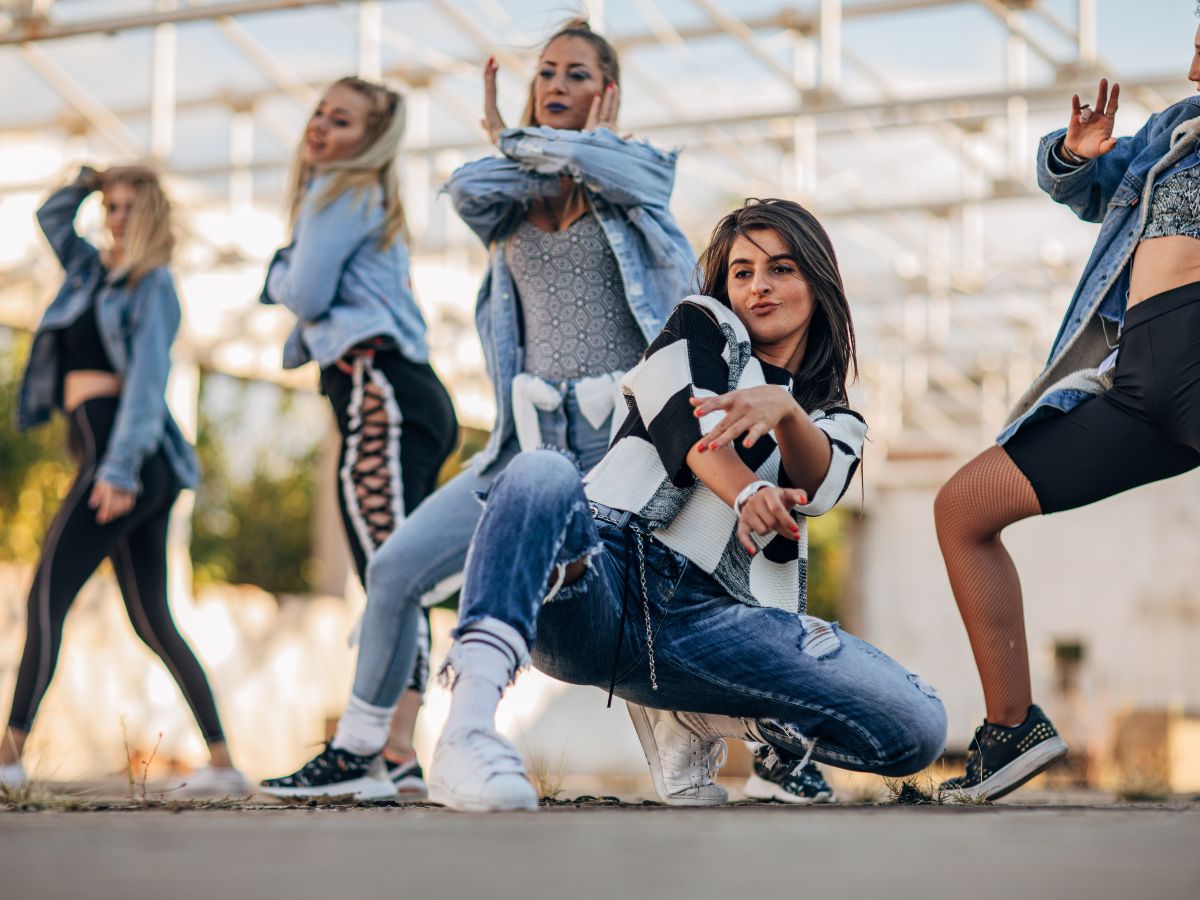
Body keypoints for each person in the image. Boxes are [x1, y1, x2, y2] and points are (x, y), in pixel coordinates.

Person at [260, 19, 698, 802]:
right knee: (394, 568)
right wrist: (518, 142)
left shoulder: (632, 193)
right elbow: (465, 187)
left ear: (610, 92)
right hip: (523, 444)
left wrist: (522, 136)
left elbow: (656, 183)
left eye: (576, 75)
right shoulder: (511, 196)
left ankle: (776, 743)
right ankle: (363, 752)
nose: (557, 87)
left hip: (619, 451)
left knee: (655, 612)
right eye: (547, 75)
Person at [427, 198, 948, 811]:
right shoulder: (702, 325)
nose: (759, 286)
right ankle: (463, 733)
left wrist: (784, 411)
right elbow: (684, 422)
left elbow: (822, 485)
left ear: (818, 281)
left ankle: (702, 718)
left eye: (782, 268)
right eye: (742, 271)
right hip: (606, 571)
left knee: (917, 728)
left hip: (717, 624)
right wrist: (749, 490)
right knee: (540, 473)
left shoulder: (837, 420)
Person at [933, 21, 1200, 801]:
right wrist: (1075, 155)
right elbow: (1088, 190)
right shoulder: (1171, 129)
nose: (1191, 62)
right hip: (1141, 375)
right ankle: (1012, 729)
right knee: (963, 509)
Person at [0, 166, 247, 797]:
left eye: (131, 207)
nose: (116, 217)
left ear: (153, 216)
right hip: (125, 461)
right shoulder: (87, 272)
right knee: (152, 619)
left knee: (47, 595)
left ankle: (8, 755)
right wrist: (84, 179)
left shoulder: (151, 285)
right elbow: (51, 218)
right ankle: (223, 764)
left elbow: (145, 387)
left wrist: (117, 471)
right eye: (110, 206)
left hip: (128, 458)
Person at [256, 76, 458, 800]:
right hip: (396, 391)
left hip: (381, 390)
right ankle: (395, 755)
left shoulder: (339, 194)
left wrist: (277, 269)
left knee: (392, 576)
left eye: (341, 121)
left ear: (370, 140)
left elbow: (306, 293)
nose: (320, 127)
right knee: (396, 571)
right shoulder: (364, 200)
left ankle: (377, 754)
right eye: (318, 112)